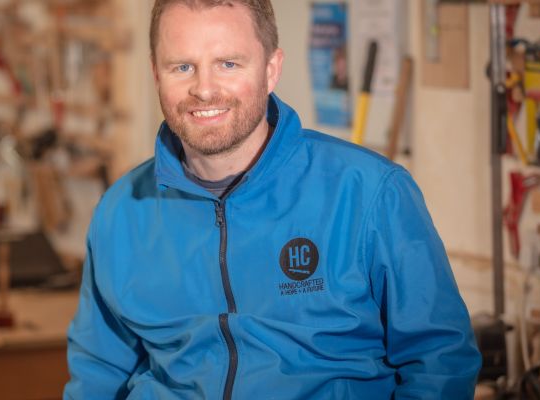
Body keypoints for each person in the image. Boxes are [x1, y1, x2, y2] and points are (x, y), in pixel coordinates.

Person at [64, 0, 482, 398]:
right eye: (183, 67)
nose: (204, 90)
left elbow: (440, 361)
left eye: (228, 63)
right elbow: (97, 372)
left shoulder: (370, 193)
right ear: (156, 74)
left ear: (271, 69)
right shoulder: (121, 211)